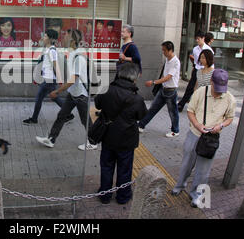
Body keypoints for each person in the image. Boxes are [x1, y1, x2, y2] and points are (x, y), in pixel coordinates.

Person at [171, 69, 235, 208]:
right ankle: (179, 185)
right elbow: (190, 111)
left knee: (204, 171)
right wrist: (197, 124)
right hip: (195, 133)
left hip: (211, 138)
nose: (219, 92)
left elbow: (230, 118)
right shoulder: (200, 92)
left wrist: (221, 125)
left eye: (222, 89)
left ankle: (197, 195)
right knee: (186, 164)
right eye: (217, 88)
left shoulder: (229, 98)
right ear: (211, 81)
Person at [95, 63, 148, 204]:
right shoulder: (137, 98)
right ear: (134, 78)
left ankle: (105, 195)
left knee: (106, 166)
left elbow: (98, 104)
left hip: (107, 136)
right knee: (125, 169)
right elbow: (141, 115)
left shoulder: (107, 89)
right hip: (126, 140)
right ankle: (123, 196)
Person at [35, 29, 95, 150]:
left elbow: (73, 79)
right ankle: (51, 139)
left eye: (66, 36)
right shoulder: (72, 53)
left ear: (73, 40)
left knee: (85, 120)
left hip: (80, 94)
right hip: (73, 92)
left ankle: (93, 142)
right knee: (62, 115)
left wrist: (57, 91)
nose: (63, 38)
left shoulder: (79, 57)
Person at [23, 29, 74, 124]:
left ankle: (34, 119)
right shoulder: (48, 49)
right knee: (53, 97)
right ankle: (68, 114)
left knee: (43, 97)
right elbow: (45, 65)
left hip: (49, 79)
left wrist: (59, 79)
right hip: (47, 78)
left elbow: (55, 65)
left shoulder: (52, 51)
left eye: (45, 36)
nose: (43, 38)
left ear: (50, 39)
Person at [138, 41, 181, 138]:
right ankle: (141, 125)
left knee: (173, 112)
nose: (163, 52)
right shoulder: (167, 60)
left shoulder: (175, 62)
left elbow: (168, 77)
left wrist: (154, 82)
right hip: (163, 89)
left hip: (171, 91)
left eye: (164, 50)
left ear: (170, 50)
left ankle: (175, 130)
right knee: (153, 108)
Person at [178, 31, 214, 112]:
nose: (197, 40)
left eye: (198, 39)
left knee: (203, 89)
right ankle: (181, 104)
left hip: (206, 71)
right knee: (190, 88)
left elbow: (211, 63)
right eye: (196, 39)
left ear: (203, 38)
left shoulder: (208, 49)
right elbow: (196, 61)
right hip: (197, 70)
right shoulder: (195, 49)